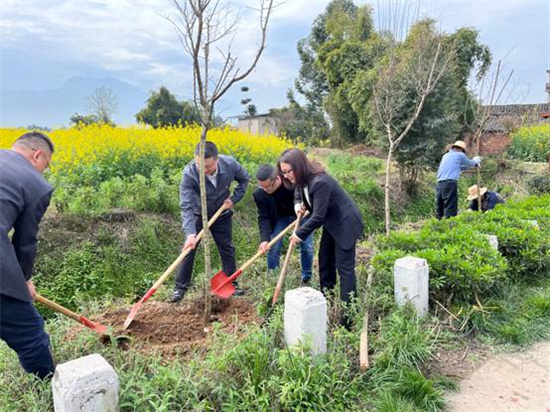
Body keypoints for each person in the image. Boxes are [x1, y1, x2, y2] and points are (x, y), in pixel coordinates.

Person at [278, 148, 364, 328]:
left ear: (299, 167)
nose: (286, 176)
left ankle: (348, 319)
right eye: (283, 172)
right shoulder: (302, 179)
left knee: (345, 269)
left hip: (345, 224)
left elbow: (317, 216)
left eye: (288, 171)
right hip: (332, 223)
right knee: (324, 261)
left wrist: (299, 233)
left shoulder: (319, 182)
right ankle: (326, 301)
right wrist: (298, 204)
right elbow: (298, 189)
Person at [0, 131, 56, 379]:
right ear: (37, 155)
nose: (44, 172)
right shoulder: (36, 183)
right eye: (47, 165)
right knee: (30, 335)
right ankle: (48, 386)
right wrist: (24, 280)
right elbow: (25, 240)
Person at [170, 141, 250, 303]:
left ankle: (231, 282)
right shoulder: (189, 173)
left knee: (227, 248)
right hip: (199, 214)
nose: (203, 170)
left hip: (221, 213)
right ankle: (180, 288)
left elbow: (244, 179)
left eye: (208, 166)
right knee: (189, 249)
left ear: (217, 160)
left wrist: (234, 199)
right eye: (199, 165)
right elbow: (186, 205)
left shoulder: (230, 164)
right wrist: (190, 234)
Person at [253, 164, 314, 285]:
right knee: (273, 246)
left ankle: (306, 278)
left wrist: (304, 207)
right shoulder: (260, 194)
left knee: (306, 246)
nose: (265, 190)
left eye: (268, 186)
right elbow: (264, 217)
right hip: (280, 217)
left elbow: (308, 196)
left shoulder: (290, 183)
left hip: (301, 214)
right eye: (262, 186)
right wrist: (264, 239)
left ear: (277, 178)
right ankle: (273, 279)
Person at [436, 140, 481, 219]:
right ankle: (449, 223)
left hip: (440, 183)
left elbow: (458, 167)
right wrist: (476, 160)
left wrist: (468, 166)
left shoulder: (446, 155)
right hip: (450, 183)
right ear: (461, 149)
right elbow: (470, 162)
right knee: (450, 206)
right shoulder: (460, 155)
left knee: (440, 205)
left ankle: (438, 222)